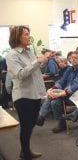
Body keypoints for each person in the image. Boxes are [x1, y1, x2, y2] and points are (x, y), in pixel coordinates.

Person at [6, 25, 49, 160]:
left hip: (35, 94)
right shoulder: (11, 55)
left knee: (30, 125)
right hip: (23, 96)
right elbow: (20, 75)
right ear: (17, 37)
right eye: (25, 34)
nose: (29, 36)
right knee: (26, 126)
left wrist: (44, 60)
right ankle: (25, 154)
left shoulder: (29, 51)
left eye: (28, 33)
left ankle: (25, 151)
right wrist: (37, 61)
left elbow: (35, 71)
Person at [36, 51, 78, 133]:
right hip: (67, 95)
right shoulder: (69, 69)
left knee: (54, 97)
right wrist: (52, 89)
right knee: (54, 102)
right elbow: (61, 81)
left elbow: (74, 88)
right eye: (72, 58)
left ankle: (42, 115)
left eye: (75, 58)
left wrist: (58, 94)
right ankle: (61, 123)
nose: (73, 60)